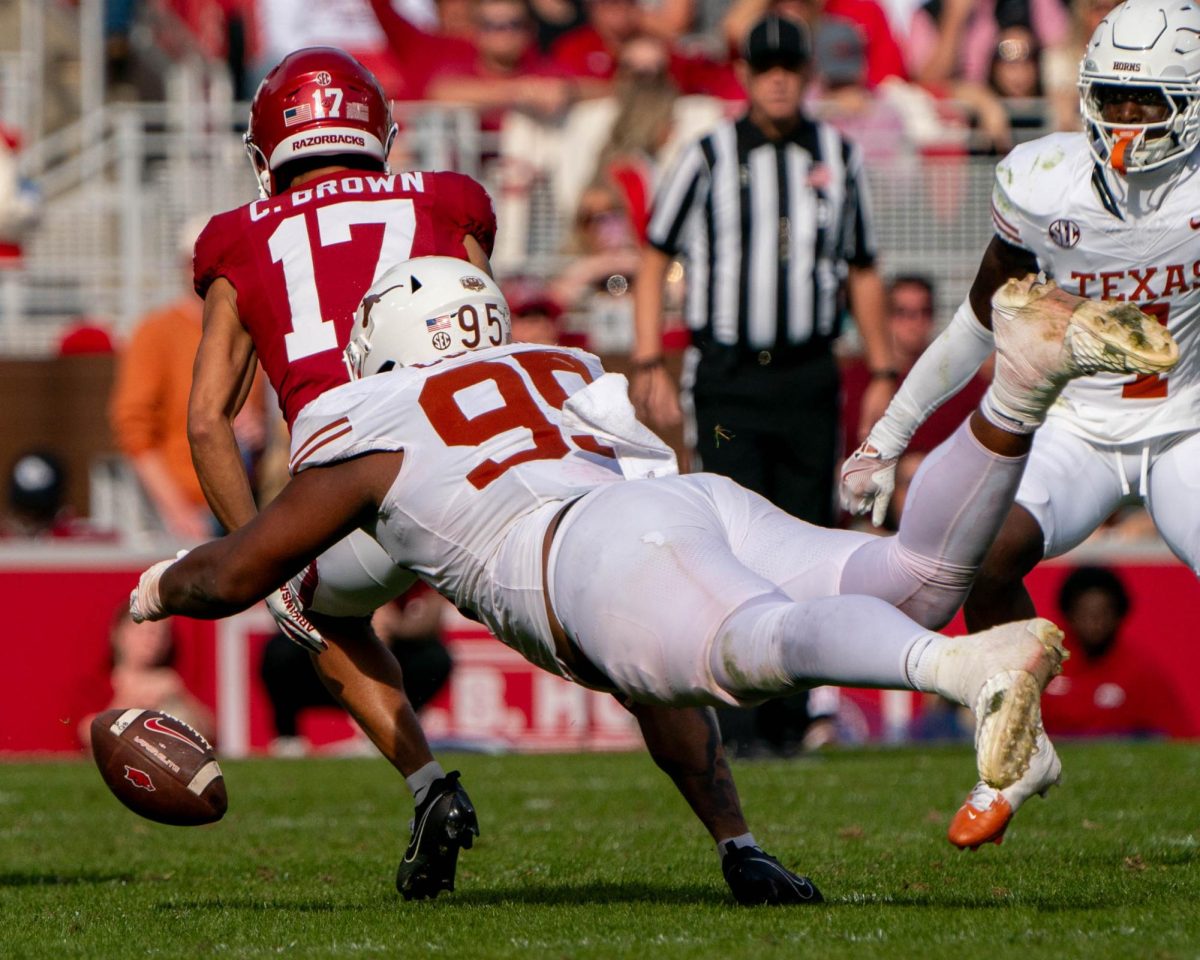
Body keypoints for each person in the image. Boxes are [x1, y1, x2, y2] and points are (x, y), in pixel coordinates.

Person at [132, 253, 1176, 897]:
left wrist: (159, 585)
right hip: (684, 500)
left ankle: (964, 674)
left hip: (580, 551)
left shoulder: (370, 423)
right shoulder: (556, 366)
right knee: (910, 575)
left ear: (393, 342)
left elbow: (241, 573)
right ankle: (1017, 389)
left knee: (749, 647)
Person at [840, 0, 1200, 850]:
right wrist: (888, 433)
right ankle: (1019, 746)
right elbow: (977, 321)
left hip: (1185, 426)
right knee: (983, 555)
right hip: (1075, 424)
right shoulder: (1044, 183)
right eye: (1112, 95)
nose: (1126, 119)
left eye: (1147, 101)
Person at [187, 46, 498, 901]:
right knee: (610, 620)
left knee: (318, 608)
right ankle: (735, 838)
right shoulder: (447, 200)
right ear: (379, 134)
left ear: (267, 152)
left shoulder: (238, 236)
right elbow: (494, 354)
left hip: (345, 493)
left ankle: (428, 782)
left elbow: (209, 419)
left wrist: (262, 551)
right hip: (472, 472)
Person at [631, 14, 895, 752]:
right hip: (730, 376)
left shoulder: (838, 155)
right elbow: (655, 253)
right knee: (734, 541)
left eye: (789, 67)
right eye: (765, 67)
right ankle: (740, 714)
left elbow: (863, 266)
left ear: (807, 75)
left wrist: (879, 370)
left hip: (810, 370)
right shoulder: (708, 155)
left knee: (810, 534)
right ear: (744, 75)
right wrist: (649, 357)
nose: (778, 79)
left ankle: (796, 714)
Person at [109, 219, 266, 541]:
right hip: (189, 512)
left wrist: (259, 436)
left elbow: (259, 426)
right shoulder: (155, 333)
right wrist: (178, 511)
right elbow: (134, 431)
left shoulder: (250, 331)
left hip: (246, 506)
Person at [840, 275, 988, 527]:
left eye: (923, 312)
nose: (914, 323)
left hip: (938, 511)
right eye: (902, 312)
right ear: (884, 317)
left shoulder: (961, 381)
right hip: (864, 513)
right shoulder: (853, 380)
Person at [261, 582, 454, 756]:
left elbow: (432, 615)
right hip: (328, 640)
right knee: (281, 651)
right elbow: (288, 605)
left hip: (390, 652)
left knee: (433, 658)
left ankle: (392, 733)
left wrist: (394, 627)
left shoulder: (406, 555)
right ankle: (288, 740)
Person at [1043, 566, 1188, 738]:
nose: (1094, 623)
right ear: (1069, 615)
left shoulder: (1141, 673)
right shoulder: (1042, 667)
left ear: (1118, 615)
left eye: (1102, 613)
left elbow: (1177, 739)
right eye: (1085, 613)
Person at [78, 604, 216, 751]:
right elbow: (89, 736)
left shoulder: (175, 682)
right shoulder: (96, 685)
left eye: (160, 633)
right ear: (117, 633)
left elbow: (210, 734)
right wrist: (132, 700)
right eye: (141, 631)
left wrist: (181, 696)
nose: (151, 639)